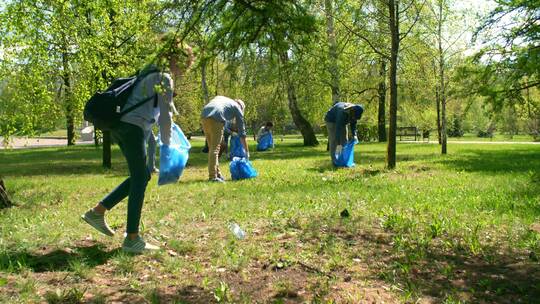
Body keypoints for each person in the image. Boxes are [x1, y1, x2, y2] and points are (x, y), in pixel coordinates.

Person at [81, 35, 194, 254]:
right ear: (174, 60)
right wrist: (168, 146)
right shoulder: (163, 78)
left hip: (122, 127)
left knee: (140, 176)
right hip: (132, 128)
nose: (183, 71)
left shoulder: (148, 71)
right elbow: (165, 117)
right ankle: (132, 238)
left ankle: (98, 211)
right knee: (141, 177)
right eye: (183, 66)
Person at [201, 96, 248, 182]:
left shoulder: (225, 100)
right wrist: (247, 152)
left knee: (212, 148)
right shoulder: (237, 108)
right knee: (215, 149)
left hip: (204, 116)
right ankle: (213, 177)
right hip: (216, 117)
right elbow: (242, 133)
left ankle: (217, 174)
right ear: (241, 107)